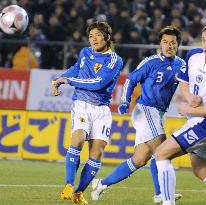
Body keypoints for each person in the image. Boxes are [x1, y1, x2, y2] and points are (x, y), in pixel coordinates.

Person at [91, 26, 185, 204]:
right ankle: (160, 193)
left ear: (178, 45)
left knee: (140, 159)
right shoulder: (151, 62)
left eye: (173, 43)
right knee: (163, 151)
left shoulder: (181, 64)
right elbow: (131, 80)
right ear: (160, 43)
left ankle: (101, 184)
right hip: (146, 110)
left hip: (159, 113)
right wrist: (125, 101)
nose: (169, 46)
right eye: (165, 42)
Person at [155, 22, 206, 205]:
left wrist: (189, 109)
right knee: (202, 171)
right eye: (203, 40)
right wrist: (189, 97)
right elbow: (183, 80)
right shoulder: (193, 55)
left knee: (161, 154)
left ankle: (168, 203)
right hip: (197, 121)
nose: (205, 45)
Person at [51, 21, 123, 205]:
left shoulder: (114, 59)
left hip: (101, 110)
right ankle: (68, 185)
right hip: (81, 104)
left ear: (106, 37)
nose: (94, 39)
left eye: (98, 35)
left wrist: (69, 81)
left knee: (96, 153)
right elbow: (77, 68)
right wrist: (60, 78)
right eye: (91, 36)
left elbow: (99, 83)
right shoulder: (85, 53)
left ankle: (78, 192)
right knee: (78, 139)